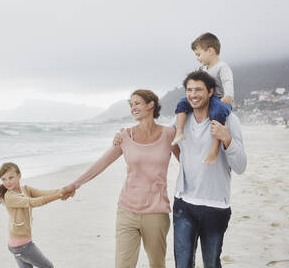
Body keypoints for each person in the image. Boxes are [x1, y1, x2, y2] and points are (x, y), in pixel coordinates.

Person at [62, 89, 176, 268]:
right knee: (123, 265)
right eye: (131, 105)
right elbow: (101, 163)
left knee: (157, 264)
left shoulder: (169, 134)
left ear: (151, 104)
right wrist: (75, 184)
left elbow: (187, 162)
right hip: (127, 211)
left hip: (156, 212)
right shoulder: (124, 136)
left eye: (137, 103)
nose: (133, 107)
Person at [172, 70, 247, 268]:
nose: (193, 94)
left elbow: (240, 166)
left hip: (216, 205)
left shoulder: (229, 120)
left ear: (211, 91)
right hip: (184, 203)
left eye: (198, 89)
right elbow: (167, 141)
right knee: (182, 264)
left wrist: (227, 139)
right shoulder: (181, 119)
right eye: (189, 90)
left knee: (211, 264)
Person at [172, 32, 234, 165]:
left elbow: (228, 81)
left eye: (198, 54)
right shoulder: (204, 69)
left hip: (219, 99)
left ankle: (215, 148)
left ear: (210, 51)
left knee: (217, 113)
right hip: (205, 99)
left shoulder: (222, 67)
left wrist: (228, 95)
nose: (197, 58)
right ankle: (180, 132)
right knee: (182, 102)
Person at [0, 162, 63, 268]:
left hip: (17, 244)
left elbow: (42, 193)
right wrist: (59, 195)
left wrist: (61, 191)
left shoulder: (26, 189)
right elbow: (33, 202)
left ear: (19, 175)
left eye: (11, 177)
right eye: (4, 179)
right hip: (22, 245)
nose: (7, 182)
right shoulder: (10, 197)